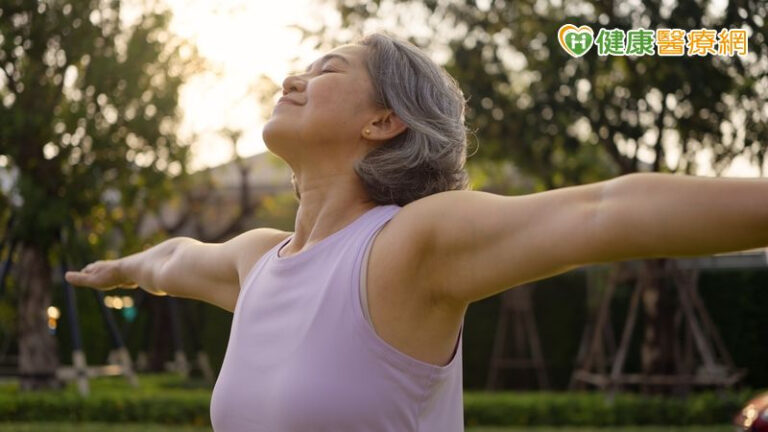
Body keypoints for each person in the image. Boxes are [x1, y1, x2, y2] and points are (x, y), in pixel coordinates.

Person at [65, 32, 768, 431]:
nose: (292, 80)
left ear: (383, 121)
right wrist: (121, 269)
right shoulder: (258, 262)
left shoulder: (407, 246)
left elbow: (603, 210)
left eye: (326, 70)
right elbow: (175, 258)